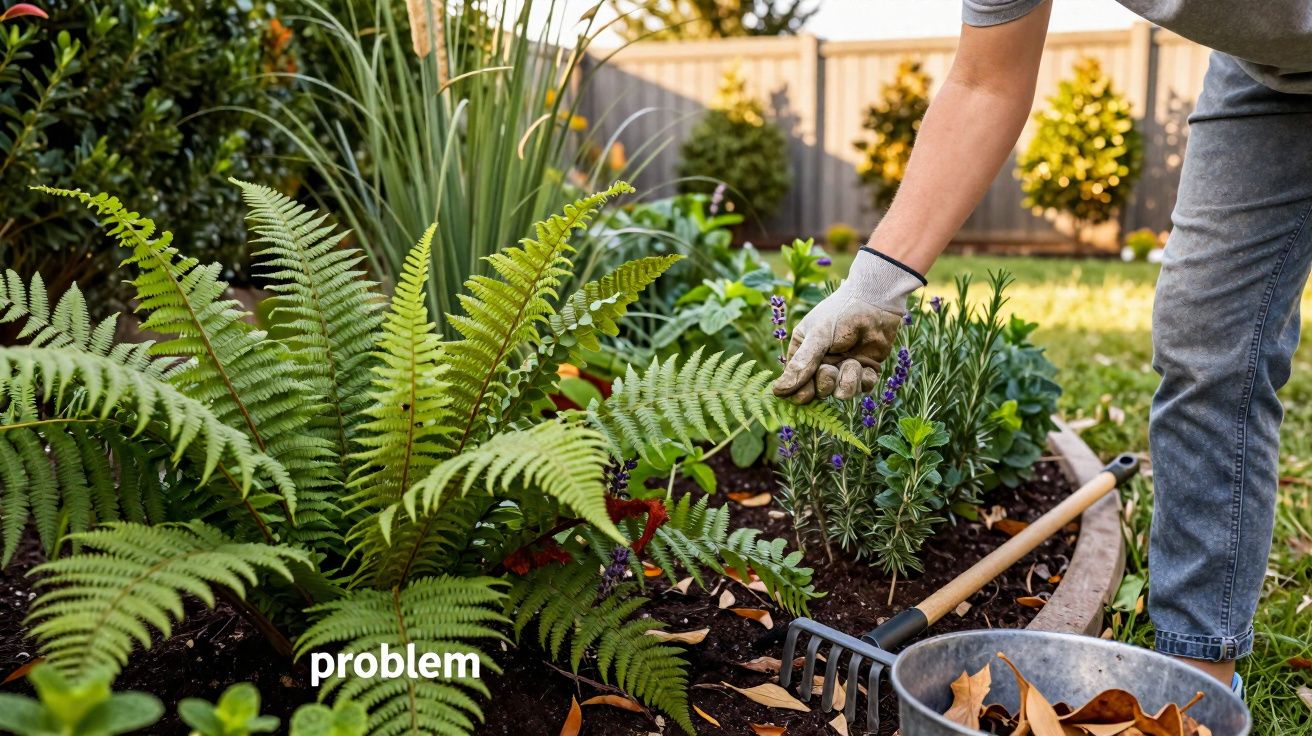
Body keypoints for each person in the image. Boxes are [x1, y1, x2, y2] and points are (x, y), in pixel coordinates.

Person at [773, 0, 1312, 693]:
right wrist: (873, 288)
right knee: (1205, 344)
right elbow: (984, 83)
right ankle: (1197, 678)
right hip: (1268, 79)